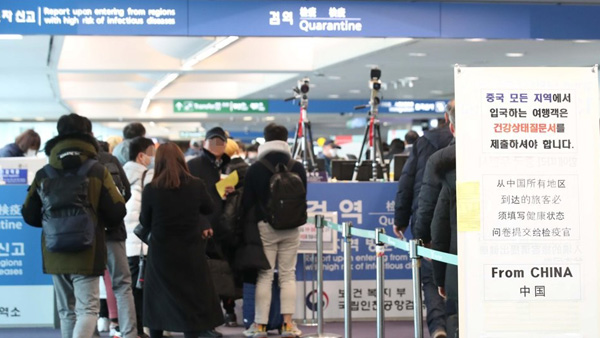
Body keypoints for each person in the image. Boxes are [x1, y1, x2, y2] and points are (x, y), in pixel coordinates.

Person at [21, 113, 126, 338]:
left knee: (66, 311)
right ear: (88, 135)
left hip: (54, 249)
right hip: (88, 249)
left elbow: (28, 215)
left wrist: (54, 223)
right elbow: (118, 210)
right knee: (88, 309)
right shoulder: (97, 170)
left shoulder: (44, 173)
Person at [140, 142, 223, 338]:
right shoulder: (196, 185)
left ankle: (156, 334)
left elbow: (145, 221)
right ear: (181, 159)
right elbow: (209, 208)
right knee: (190, 296)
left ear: (158, 162)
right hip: (190, 250)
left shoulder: (152, 189)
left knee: (157, 298)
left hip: (161, 252)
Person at [393, 100, 454, 338]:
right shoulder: (472, 140)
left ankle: (438, 327)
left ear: (446, 119)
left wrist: (400, 218)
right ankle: (459, 326)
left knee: (430, 277)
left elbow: (407, 181)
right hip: (459, 215)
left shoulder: (424, 141)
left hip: (426, 213)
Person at [242, 123, 306, 338]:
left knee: (265, 276)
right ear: (286, 139)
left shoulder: (256, 167)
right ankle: (288, 325)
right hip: (292, 227)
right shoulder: (297, 166)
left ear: (265, 139)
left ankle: (259, 326)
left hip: (265, 227)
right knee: (288, 275)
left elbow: (247, 202)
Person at [187, 127, 234, 334]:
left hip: (225, 225)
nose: (217, 145)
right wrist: (202, 221)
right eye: (213, 141)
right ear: (205, 143)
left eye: (220, 142)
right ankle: (207, 320)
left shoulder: (228, 164)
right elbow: (189, 197)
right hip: (203, 227)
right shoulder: (194, 165)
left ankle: (228, 309)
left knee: (224, 270)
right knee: (206, 275)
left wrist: (232, 191)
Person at [124, 136, 156, 338]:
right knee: (143, 288)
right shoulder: (147, 177)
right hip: (143, 243)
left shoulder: (118, 173)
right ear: (141, 155)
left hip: (125, 242)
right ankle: (144, 327)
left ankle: (132, 328)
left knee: (129, 287)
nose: (154, 157)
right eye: (151, 153)